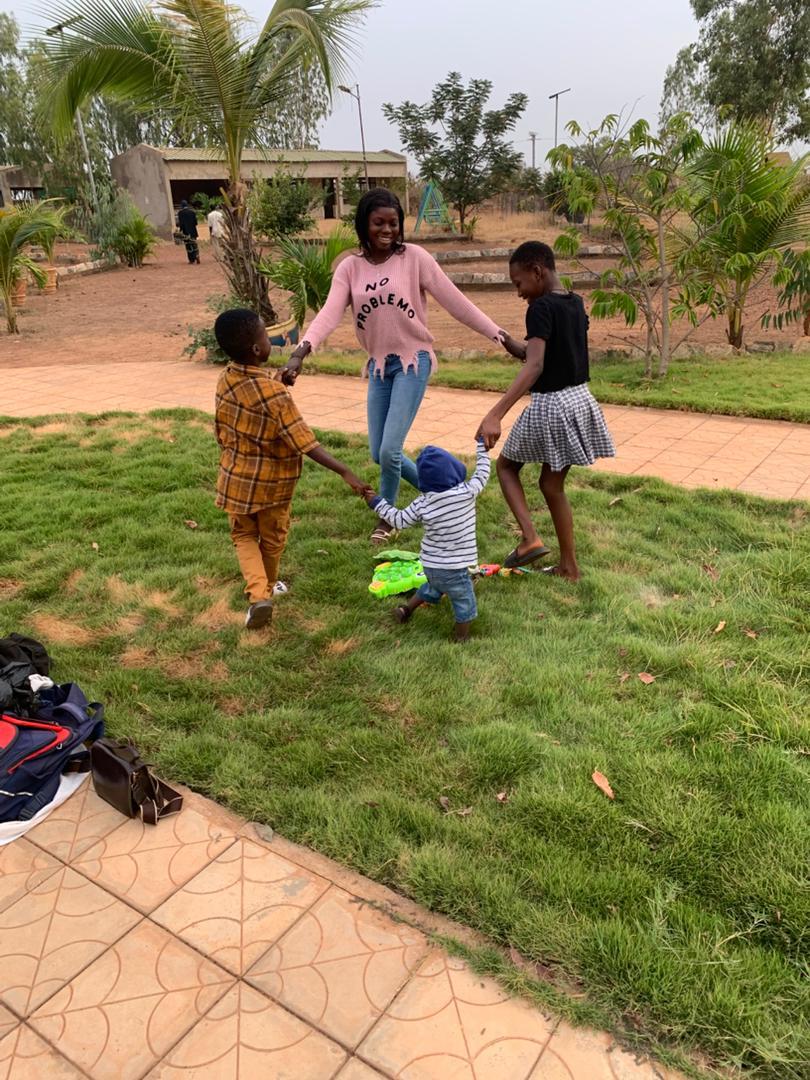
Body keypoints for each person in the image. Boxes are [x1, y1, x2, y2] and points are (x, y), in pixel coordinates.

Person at [280, 187, 517, 544]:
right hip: (379, 366)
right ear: (364, 224)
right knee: (379, 453)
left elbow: (456, 302)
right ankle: (449, 496)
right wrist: (301, 352)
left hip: (413, 361)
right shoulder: (350, 268)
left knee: (390, 450)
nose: (387, 230)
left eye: (394, 223)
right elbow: (329, 313)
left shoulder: (414, 258)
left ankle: (388, 518)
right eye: (379, 223)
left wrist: (501, 336)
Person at [214, 308, 370, 628]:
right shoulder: (275, 396)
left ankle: (258, 596)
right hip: (273, 487)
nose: (269, 338)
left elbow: (248, 404)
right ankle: (267, 588)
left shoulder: (226, 378)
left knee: (243, 535)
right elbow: (305, 442)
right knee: (272, 540)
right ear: (257, 348)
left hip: (236, 480)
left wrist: (278, 383)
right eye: (265, 335)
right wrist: (344, 471)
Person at [476, 241, 615, 581]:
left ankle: (529, 539)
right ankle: (569, 567)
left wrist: (496, 414)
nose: (518, 292)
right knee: (552, 486)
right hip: (579, 400)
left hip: (552, 405)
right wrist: (512, 344)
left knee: (506, 466)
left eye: (518, 283)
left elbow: (536, 365)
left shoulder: (539, 307)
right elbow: (548, 353)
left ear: (537, 272)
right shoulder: (574, 302)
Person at [365, 440, 490, 642]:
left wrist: (377, 503)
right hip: (454, 569)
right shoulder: (467, 493)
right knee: (464, 600)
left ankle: (405, 610)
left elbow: (399, 520)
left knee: (432, 587)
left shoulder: (423, 502)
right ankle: (462, 638)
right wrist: (482, 447)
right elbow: (482, 473)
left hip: (430, 565)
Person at [177, 199, 200, 264]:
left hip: (186, 232)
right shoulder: (192, 212)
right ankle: (197, 255)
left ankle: (191, 259)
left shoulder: (180, 213)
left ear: (181, 206)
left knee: (188, 246)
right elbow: (196, 223)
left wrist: (180, 231)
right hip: (193, 232)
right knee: (194, 244)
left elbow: (181, 224)